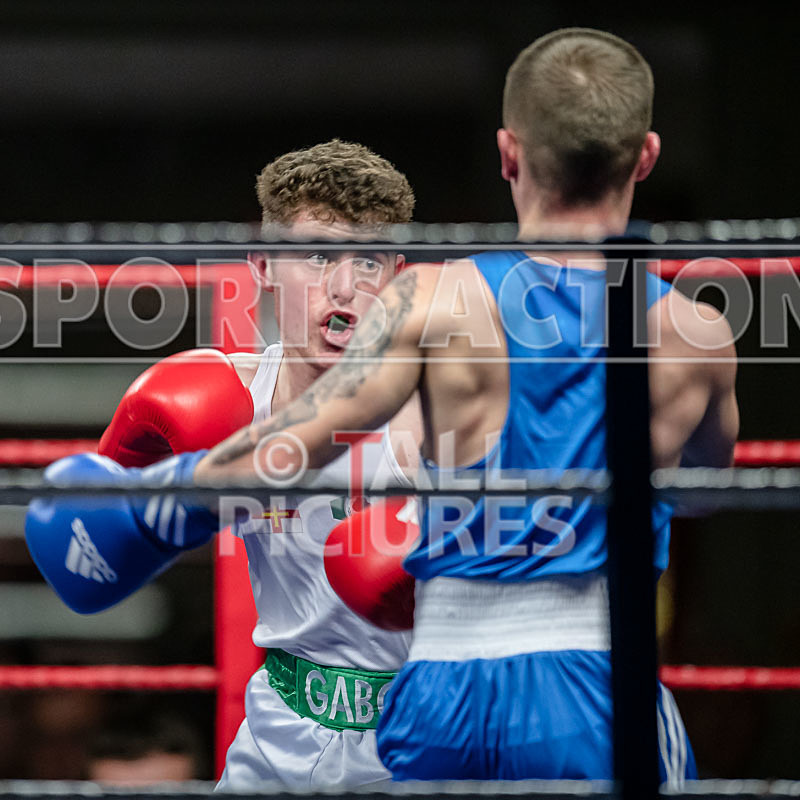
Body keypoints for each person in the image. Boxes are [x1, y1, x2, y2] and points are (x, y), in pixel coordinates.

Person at [26, 28, 739, 783]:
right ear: (647, 156)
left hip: (445, 683)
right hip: (591, 667)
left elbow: (297, 444)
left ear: (508, 155)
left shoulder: (434, 302)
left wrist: (164, 505)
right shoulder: (695, 332)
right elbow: (699, 494)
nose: (341, 285)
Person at [27, 139, 421, 790]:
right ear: (263, 264)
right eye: (318, 255)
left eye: (369, 260)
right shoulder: (218, 400)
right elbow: (95, 544)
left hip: (427, 733)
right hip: (283, 735)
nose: (345, 286)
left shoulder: (456, 402)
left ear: (399, 273)